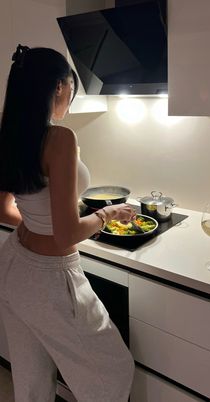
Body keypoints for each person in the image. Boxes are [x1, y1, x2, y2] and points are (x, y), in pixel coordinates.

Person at [0, 44, 135, 402]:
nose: (70, 103)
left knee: (31, 381)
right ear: (59, 86)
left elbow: (4, 209)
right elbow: (65, 235)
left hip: (13, 265)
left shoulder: (9, 132)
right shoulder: (60, 138)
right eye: (71, 92)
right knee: (114, 372)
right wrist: (107, 214)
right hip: (51, 278)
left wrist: (42, 219)